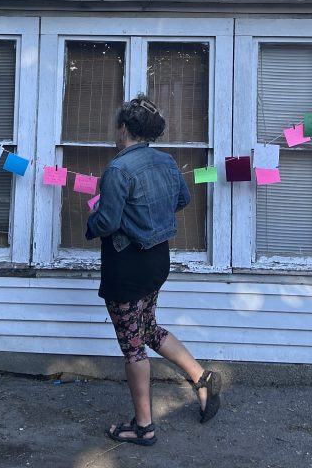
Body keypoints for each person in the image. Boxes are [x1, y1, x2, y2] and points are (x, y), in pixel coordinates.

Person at [85, 94, 222, 447]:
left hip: (126, 266)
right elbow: (182, 201)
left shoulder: (118, 168)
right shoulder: (166, 161)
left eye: (117, 126)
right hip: (158, 260)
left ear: (124, 128)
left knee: (133, 347)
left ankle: (143, 427)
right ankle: (201, 376)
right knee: (146, 328)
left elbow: (107, 221)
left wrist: (91, 221)